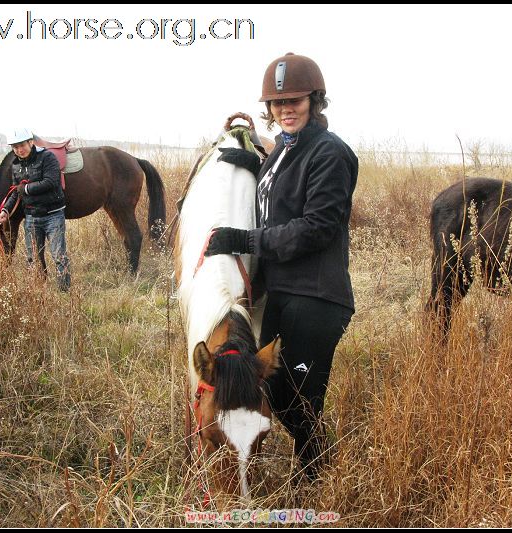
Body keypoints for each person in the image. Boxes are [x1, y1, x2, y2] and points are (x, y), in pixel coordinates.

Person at [206, 53, 358, 480]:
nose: (286, 109)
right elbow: (284, 188)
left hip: (316, 298)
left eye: (295, 100)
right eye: (277, 103)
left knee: (301, 400)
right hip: (285, 291)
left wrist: (246, 241)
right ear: (269, 110)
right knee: (270, 384)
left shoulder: (330, 153)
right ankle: (312, 467)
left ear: (314, 100)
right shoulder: (285, 150)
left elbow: (315, 227)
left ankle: (316, 477)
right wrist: (256, 165)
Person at [0, 128, 71, 291]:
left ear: (31, 142)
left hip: (53, 215)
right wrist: (5, 210)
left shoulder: (47, 157)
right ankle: (39, 291)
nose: (19, 150)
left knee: (59, 256)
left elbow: (51, 182)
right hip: (31, 218)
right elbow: (15, 193)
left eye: (21, 145)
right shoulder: (15, 165)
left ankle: (64, 292)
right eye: (14, 147)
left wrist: (26, 189)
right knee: (33, 259)